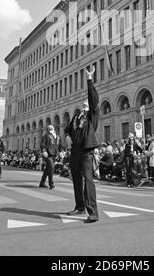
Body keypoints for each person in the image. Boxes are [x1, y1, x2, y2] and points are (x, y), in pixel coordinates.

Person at [64, 66, 99, 223]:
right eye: (84, 106)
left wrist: (89, 80)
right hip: (75, 151)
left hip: (86, 151)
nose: (86, 106)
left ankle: (93, 212)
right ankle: (79, 207)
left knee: (88, 179)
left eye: (87, 105)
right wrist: (66, 137)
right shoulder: (75, 117)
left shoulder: (92, 115)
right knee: (76, 179)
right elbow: (67, 130)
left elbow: (93, 99)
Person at [39, 124, 59, 189]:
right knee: (51, 167)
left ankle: (42, 182)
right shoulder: (46, 136)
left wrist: (56, 154)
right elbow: (42, 144)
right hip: (48, 155)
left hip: (52, 155)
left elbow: (55, 146)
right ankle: (51, 183)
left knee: (48, 169)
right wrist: (44, 151)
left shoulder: (54, 136)